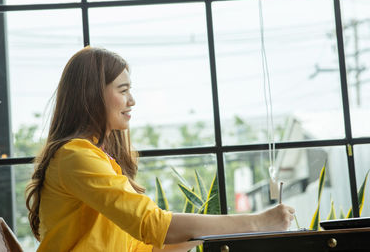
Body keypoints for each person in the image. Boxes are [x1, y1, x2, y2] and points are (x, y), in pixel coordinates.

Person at [25, 46, 295, 252]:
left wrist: (200, 233)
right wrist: (258, 223)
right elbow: (152, 225)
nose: (132, 100)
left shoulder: (96, 159)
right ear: (92, 95)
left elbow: (144, 247)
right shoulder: (76, 156)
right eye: (123, 90)